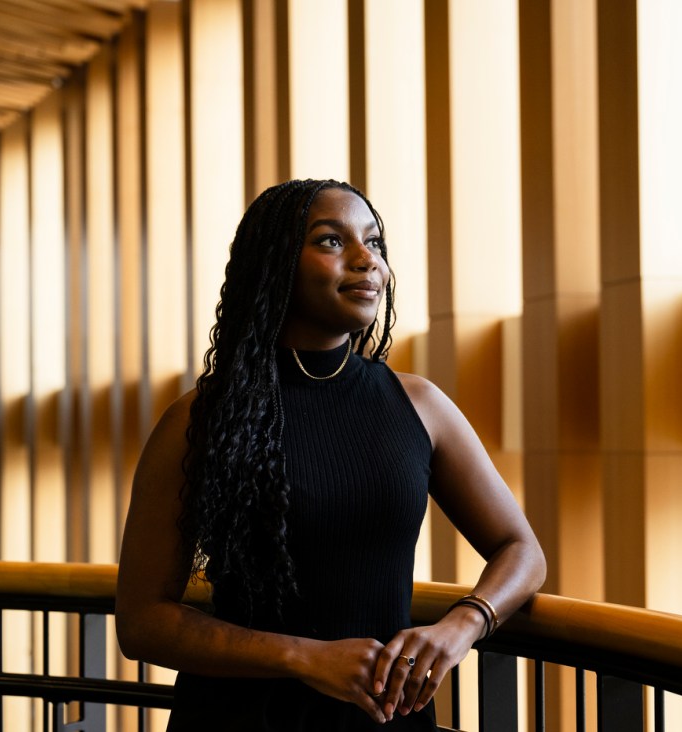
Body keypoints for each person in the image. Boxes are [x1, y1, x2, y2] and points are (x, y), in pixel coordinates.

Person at [115, 179, 546, 730]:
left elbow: (522, 550)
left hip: (384, 715)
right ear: (275, 264)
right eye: (332, 241)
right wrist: (304, 657)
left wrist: (462, 625)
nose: (369, 261)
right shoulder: (199, 419)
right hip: (242, 720)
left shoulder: (421, 406)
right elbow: (142, 621)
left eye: (375, 243)